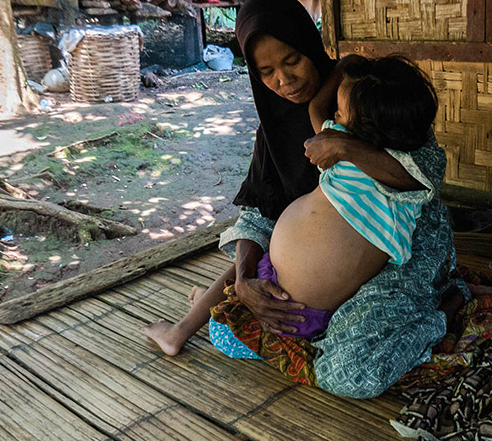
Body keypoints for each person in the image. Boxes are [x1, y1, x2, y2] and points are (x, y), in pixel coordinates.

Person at [144, 0, 459, 398]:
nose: (284, 80)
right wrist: (242, 282)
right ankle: (189, 325)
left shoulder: (376, 103)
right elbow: (260, 214)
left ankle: (437, 310)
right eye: (266, 72)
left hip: (395, 266)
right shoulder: (278, 130)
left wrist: (346, 147)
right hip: (299, 284)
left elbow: (424, 175)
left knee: (348, 368)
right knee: (229, 329)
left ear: (311, 46)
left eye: (292, 60)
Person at [148, 55, 439, 349]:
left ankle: (200, 313)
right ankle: (205, 306)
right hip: (271, 271)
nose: (283, 80)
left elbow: (315, 107)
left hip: (300, 312)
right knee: (238, 290)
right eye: (266, 70)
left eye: (338, 112)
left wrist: (343, 67)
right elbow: (319, 111)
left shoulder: (398, 176)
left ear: (364, 127)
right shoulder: (340, 146)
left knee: (227, 333)